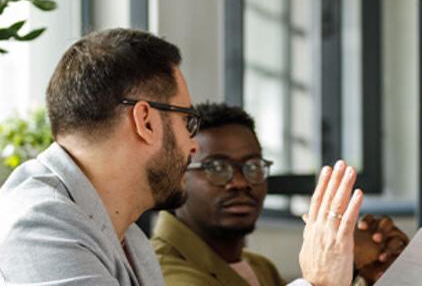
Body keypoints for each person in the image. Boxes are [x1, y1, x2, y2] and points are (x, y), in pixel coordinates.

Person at [0, 28, 364, 286]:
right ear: (144, 121)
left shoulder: (131, 241)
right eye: (188, 121)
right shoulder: (40, 224)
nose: (192, 147)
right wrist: (316, 283)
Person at [151, 102, 408, 285]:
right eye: (218, 167)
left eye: (253, 166)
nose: (240, 182)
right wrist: (318, 281)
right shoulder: (160, 271)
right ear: (179, 174)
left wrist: (359, 272)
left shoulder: (259, 268)